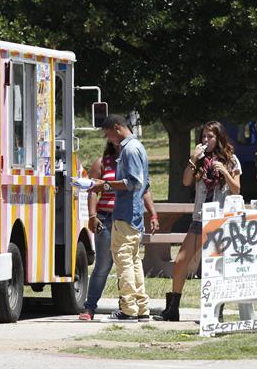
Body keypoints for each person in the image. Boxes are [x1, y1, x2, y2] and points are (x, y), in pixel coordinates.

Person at [154, 121, 241, 321]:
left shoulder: (232, 160)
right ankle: (173, 307)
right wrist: (193, 159)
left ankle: (216, 311)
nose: (206, 140)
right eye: (203, 136)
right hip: (200, 219)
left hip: (220, 221)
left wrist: (225, 172)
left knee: (218, 266)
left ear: (219, 138)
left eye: (210, 137)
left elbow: (236, 189)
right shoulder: (200, 160)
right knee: (181, 261)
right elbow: (186, 181)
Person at [79, 141, 159, 321]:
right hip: (106, 218)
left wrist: (153, 213)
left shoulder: (132, 161)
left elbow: (144, 188)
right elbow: (92, 190)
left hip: (126, 218)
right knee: (103, 265)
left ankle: (128, 306)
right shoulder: (102, 163)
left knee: (128, 262)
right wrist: (92, 216)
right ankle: (90, 308)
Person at [89, 114, 151, 322]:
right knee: (134, 261)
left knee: (123, 260)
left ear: (117, 128)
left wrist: (104, 185)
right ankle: (141, 307)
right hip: (133, 214)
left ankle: (128, 309)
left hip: (125, 213)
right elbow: (146, 183)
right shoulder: (138, 147)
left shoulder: (129, 149)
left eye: (108, 134)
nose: (109, 139)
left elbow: (133, 182)